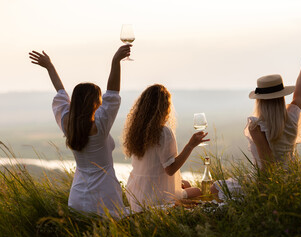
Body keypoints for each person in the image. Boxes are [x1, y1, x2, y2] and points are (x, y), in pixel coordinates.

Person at [211, 30, 301, 200]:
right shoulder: (293, 116)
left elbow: (268, 168)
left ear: (260, 100)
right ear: (281, 96)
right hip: (292, 178)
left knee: (215, 188)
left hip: (268, 183)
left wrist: (259, 193)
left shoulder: (256, 125)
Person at [29, 44, 132, 217]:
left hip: (77, 199)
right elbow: (113, 93)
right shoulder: (100, 126)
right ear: (95, 102)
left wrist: (50, 67)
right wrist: (116, 61)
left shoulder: (68, 124)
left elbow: (61, 92)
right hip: (105, 198)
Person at [123, 84, 209, 212]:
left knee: (185, 184)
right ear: (164, 107)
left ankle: (180, 205)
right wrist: (190, 146)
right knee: (197, 191)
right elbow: (170, 169)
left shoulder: (137, 130)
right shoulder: (163, 132)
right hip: (155, 197)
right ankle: (178, 209)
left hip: (136, 194)